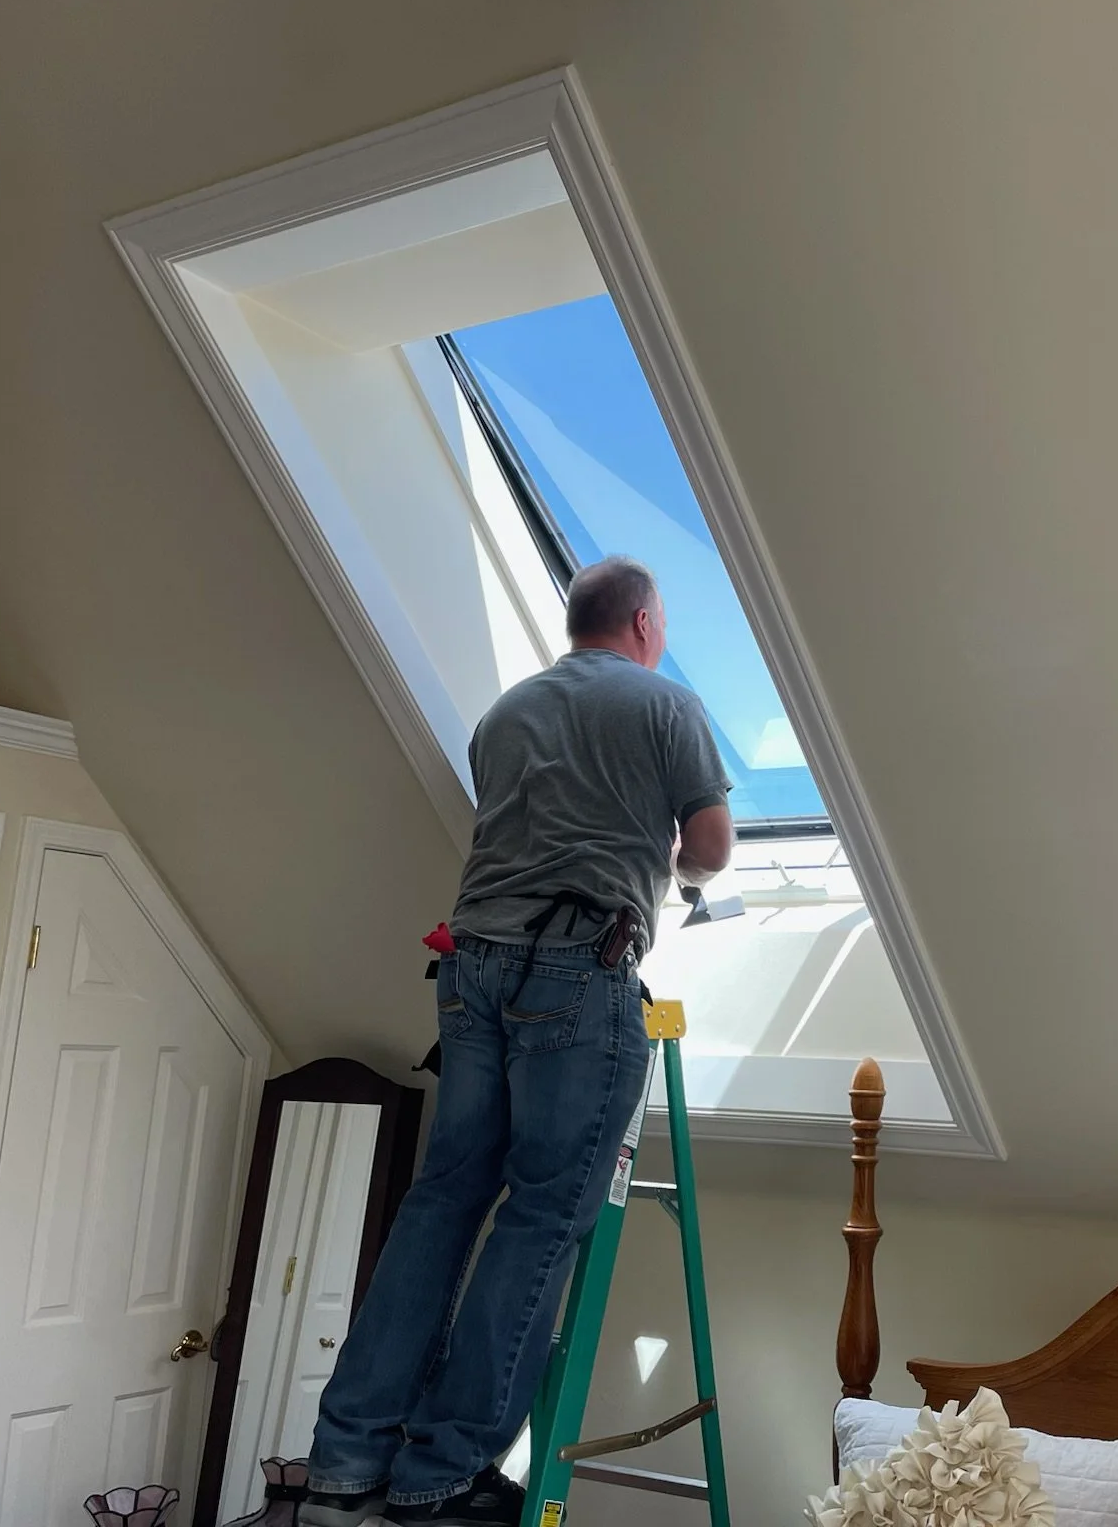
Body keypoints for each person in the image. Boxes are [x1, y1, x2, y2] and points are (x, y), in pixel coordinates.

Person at [300, 556, 734, 1527]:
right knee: (542, 1212)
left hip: (470, 967)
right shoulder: (663, 705)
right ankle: (441, 1472)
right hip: (580, 968)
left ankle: (343, 1460)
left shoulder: (503, 716)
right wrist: (652, 850)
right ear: (644, 622)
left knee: (444, 1199)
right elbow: (708, 849)